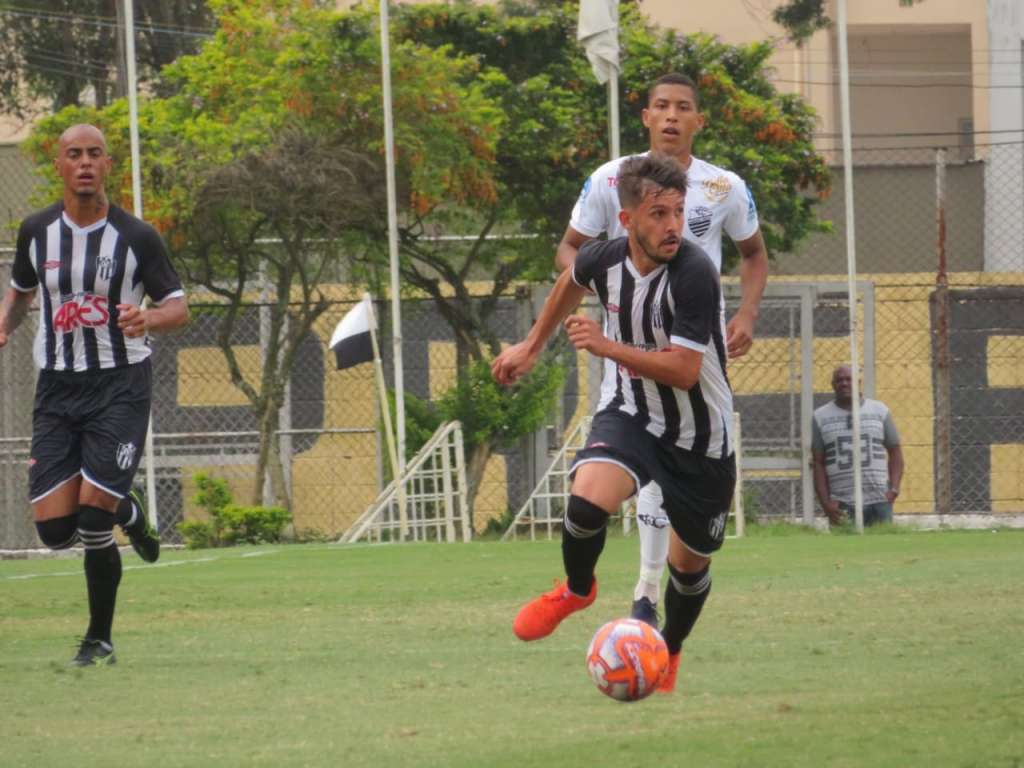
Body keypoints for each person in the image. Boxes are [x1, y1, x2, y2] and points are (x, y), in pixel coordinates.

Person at [492, 152, 735, 693]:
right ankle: (578, 590)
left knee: (688, 570)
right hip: (630, 414)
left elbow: (685, 370)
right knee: (585, 500)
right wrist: (531, 347)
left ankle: (666, 652)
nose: (672, 226)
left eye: (677, 212)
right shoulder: (603, 258)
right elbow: (568, 282)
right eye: (657, 215)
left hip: (700, 439)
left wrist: (605, 345)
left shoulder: (695, 273)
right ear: (627, 221)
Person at [556, 72, 768, 627]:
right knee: (633, 457)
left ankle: (653, 591)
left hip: (692, 351)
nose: (672, 116)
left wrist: (745, 313)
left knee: (677, 455)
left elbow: (752, 254)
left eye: (683, 107)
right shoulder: (610, 179)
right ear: (645, 117)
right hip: (626, 351)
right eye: (661, 107)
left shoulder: (724, 187)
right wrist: (610, 293)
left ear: (699, 120)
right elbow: (571, 251)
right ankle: (644, 594)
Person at [0, 123, 189, 666]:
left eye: (95, 154)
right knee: (55, 530)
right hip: (56, 389)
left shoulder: (137, 237)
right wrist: (6, 324)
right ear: (58, 165)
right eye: (74, 154)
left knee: (90, 519)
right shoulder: (36, 231)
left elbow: (178, 306)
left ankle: (98, 638)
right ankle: (130, 511)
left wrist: (147, 316)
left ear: (109, 165)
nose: (85, 163)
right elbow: (20, 289)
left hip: (119, 386)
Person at [812, 364, 904, 526]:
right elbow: (818, 462)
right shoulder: (820, 416)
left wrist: (894, 489)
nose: (844, 383)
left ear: (858, 382)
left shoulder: (880, 411)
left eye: (849, 379)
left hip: (879, 499)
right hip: (842, 502)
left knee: (883, 549)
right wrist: (826, 503)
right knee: (844, 550)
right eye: (839, 380)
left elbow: (895, 451)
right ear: (833, 385)